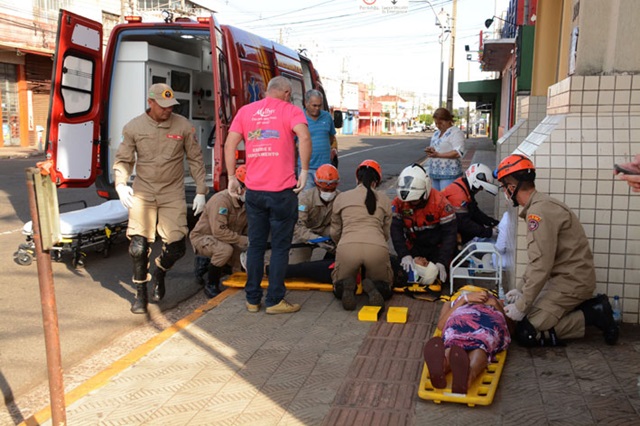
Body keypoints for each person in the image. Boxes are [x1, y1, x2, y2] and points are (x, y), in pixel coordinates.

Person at [495, 154, 619, 346]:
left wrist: (522, 304)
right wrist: (519, 291)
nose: (505, 192)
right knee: (528, 318)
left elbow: (541, 264)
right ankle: (587, 309)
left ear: (512, 188)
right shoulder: (542, 205)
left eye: (504, 187)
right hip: (569, 280)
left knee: (527, 332)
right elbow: (538, 260)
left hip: (572, 283)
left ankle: (595, 313)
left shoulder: (538, 213)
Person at [114, 83, 208, 315]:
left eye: (171, 106)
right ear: (151, 103)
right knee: (138, 246)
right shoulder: (134, 127)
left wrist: (200, 191)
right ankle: (140, 294)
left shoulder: (183, 126)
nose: (168, 110)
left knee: (177, 245)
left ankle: (160, 271)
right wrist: (120, 184)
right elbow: (124, 159)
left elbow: (195, 159)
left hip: (171, 192)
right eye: (163, 106)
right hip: (144, 191)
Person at [223, 76, 312, 315]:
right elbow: (304, 136)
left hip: (254, 192)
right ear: (285, 92)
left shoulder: (245, 111)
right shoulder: (290, 110)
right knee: (281, 247)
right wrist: (304, 171)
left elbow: (230, 144)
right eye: (289, 94)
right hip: (282, 192)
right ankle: (274, 300)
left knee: (256, 246)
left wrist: (232, 177)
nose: (290, 97)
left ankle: (252, 299)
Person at [331, 160, 394, 310]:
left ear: (356, 178)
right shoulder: (385, 200)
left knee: (337, 286)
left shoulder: (342, 197)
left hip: (347, 248)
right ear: (376, 182)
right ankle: (373, 286)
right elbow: (386, 233)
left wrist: (340, 244)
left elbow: (335, 231)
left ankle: (346, 287)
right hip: (376, 249)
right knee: (386, 288)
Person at [423, 287, 511, 394]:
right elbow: (441, 325)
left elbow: (510, 327)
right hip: (463, 319)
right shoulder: (455, 301)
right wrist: (464, 299)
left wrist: (495, 304)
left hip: (486, 322)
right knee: (478, 346)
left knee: (456, 344)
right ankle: (466, 374)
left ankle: (445, 366)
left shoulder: (496, 302)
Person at [391, 163, 457, 293]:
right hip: (414, 246)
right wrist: (404, 254)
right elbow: (395, 230)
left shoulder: (441, 203)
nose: (410, 204)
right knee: (398, 272)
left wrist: (442, 262)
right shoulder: (400, 202)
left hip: (436, 247)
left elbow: (450, 235)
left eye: (414, 200)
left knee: (436, 276)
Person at [190, 165, 248, 299]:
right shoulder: (221, 201)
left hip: (228, 238)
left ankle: (211, 266)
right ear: (239, 188)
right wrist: (245, 241)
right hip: (204, 237)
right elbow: (219, 232)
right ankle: (211, 284)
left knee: (243, 261)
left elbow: (245, 230)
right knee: (225, 251)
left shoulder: (246, 204)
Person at [289, 163, 340, 266]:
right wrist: (316, 240)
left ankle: (332, 261)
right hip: (305, 232)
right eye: (325, 190)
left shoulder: (340, 197)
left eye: (332, 190)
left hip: (327, 230)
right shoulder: (305, 198)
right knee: (296, 265)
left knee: (344, 247)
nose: (329, 193)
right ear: (317, 185)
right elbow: (297, 227)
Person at [441, 163, 500, 245]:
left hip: (448, 223)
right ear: (475, 182)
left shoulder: (463, 186)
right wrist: (488, 232)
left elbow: (475, 211)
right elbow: (464, 223)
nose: (480, 190)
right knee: (473, 229)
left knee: (477, 224)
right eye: (480, 187)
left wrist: (492, 222)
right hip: (442, 230)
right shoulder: (459, 195)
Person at [300, 90, 337, 189]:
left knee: (324, 200)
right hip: (306, 169)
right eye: (314, 105)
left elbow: (331, 137)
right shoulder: (299, 118)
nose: (317, 109)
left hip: (325, 168)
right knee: (306, 201)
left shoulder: (327, 117)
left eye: (319, 106)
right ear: (306, 103)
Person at [424, 107, 466, 190]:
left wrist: (439, 155)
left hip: (449, 174)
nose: (438, 126)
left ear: (448, 120)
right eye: (436, 123)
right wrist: (431, 150)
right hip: (434, 173)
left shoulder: (456, 132)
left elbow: (458, 152)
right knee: (436, 201)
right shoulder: (436, 133)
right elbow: (436, 147)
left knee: (446, 200)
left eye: (440, 123)